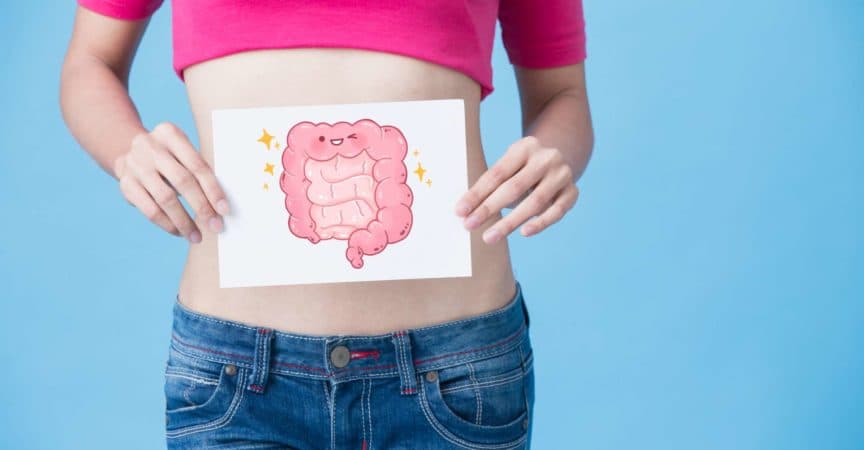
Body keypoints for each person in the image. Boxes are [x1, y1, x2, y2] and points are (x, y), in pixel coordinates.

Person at [59, 0, 594, 448]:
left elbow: (561, 95)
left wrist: (555, 155)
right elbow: (90, 62)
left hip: (454, 373)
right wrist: (127, 152)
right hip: (235, 378)